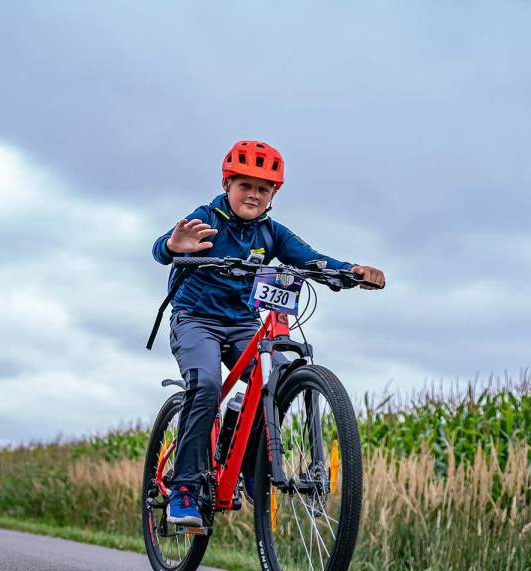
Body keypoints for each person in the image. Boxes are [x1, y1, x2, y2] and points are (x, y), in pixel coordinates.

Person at [152, 140, 385, 526]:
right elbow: (165, 247)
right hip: (195, 320)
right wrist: (173, 246)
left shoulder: (271, 233)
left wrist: (352, 272)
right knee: (207, 384)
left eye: (264, 189)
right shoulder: (206, 217)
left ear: (273, 195)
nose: (254, 195)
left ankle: (246, 460)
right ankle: (185, 487)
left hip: (243, 324)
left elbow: (312, 258)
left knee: (279, 379)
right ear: (228, 184)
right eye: (246, 185)